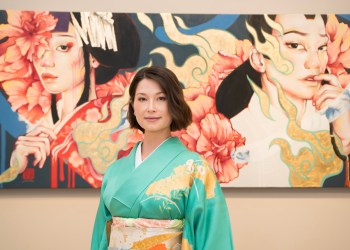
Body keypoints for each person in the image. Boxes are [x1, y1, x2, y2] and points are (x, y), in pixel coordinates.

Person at [91, 66, 233, 250]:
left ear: (174, 104)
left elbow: (214, 238)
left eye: (161, 98)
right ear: (133, 106)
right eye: (142, 99)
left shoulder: (196, 169)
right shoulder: (114, 172)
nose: (151, 108)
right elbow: (100, 238)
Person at [0, 11, 140, 187]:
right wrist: (17, 164)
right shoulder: (35, 126)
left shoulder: (120, 122)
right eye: (40, 47)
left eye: (63, 47)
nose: (46, 61)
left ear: (94, 57)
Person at [216, 14, 350, 187]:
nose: (315, 62)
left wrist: (345, 137)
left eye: (322, 47)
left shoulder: (338, 116)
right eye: (295, 45)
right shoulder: (236, 136)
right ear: (259, 59)